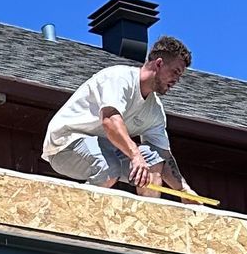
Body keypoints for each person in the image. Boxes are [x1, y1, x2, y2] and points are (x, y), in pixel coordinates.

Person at [42, 34, 194, 194]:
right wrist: (135, 155)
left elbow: (163, 153)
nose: (177, 80)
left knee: (153, 157)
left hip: (105, 148)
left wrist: (184, 190)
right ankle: (77, 210)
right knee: (109, 167)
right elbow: (110, 120)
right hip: (65, 146)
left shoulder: (154, 109)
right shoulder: (119, 78)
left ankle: (147, 215)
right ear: (159, 64)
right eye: (175, 72)